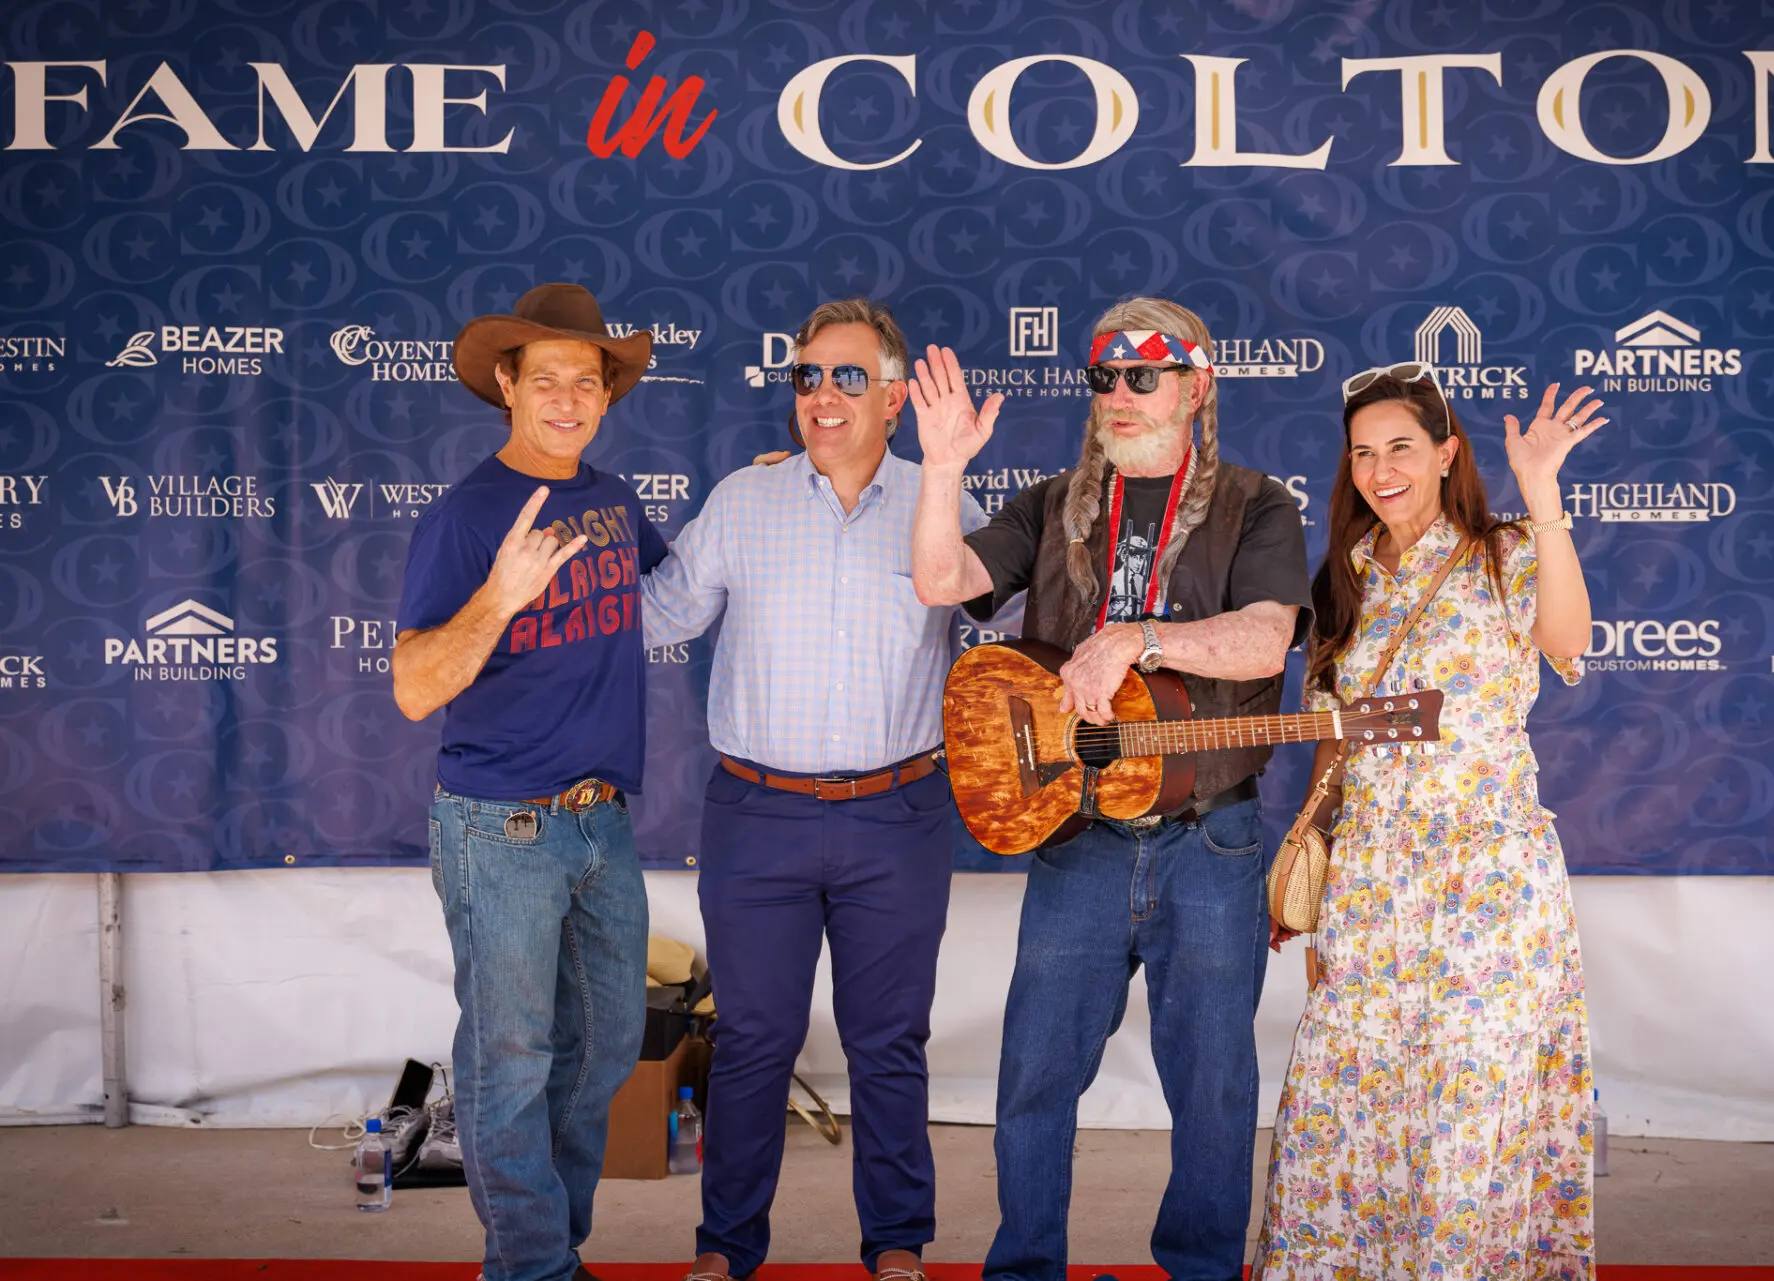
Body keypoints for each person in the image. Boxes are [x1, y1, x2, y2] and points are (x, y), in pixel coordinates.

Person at [910, 297, 1313, 1281]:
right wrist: (943, 468)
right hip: (1078, 833)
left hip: (1208, 836)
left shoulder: (1256, 504)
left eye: (1144, 375)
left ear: (1195, 386)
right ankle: (1024, 1269)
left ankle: (1202, 1270)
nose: (1120, 394)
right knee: (1034, 1074)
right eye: (1104, 377)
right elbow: (941, 581)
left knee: (1213, 1085)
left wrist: (1140, 637)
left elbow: (1267, 638)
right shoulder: (1054, 504)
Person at [640, 298, 987, 1281]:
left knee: (890, 1042)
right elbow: (656, 615)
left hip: (898, 813)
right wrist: (559, 562)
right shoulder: (743, 502)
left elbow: (1007, 633)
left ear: (894, 398)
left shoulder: (943, 500)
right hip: (758, 815)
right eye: (807, 377)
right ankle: (726, 1247)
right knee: (753, 1040)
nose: (821, 395)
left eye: (846, 377)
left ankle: (898, 1245)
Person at [1250, 366, 1604, 1280]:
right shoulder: (1343, 580)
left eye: (1401, 447)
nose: (1381, 470)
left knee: (1470, 1104)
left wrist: (1543, 489)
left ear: (1447, 453)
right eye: (1363, 453)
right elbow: (1332, 743)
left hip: (1489, 881)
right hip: (1371, 881)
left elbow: (1568, 641)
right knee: (1346, 1103)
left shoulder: (1506, 552)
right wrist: (1314, 861)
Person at [391, 283, 666, 1281]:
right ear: (507, 385)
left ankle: (548, 1252)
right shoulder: (467, 517)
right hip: (498, 826)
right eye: (544, 378)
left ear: (607, 395)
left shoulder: (614, 500)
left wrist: (771, 489)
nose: (566, 399)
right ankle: (533, 1268)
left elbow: (679, 590)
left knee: (603, 1051)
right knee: (509, 1062)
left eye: (585, 381)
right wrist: (500, 598)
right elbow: (414, 686)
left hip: (601, 824)